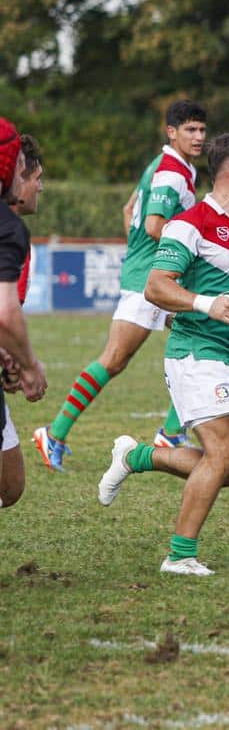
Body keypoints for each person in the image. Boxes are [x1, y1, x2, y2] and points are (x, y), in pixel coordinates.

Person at [97, 132, 229, 576]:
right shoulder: (190, 224)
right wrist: (204, 303)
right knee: (221, 452)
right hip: (195, 351)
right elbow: (156, 286)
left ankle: (136, 456)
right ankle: (180, 555)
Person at [34, 100, 207, 471]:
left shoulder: (167, 167)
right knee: (115, 359)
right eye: (190, 129)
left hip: (153, 272)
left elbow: (130, 210)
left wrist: (140, 250)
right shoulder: (172, 173)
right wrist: (190, 248)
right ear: (171, 132)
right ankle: (54, 433)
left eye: (202, 130)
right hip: (151, 278)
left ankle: (172, 432)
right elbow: (152, 224)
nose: (198, 136)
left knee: (198, 339)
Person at [0, 120, 50, 509]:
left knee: (10, 485)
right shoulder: (8, 229)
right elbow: (5, 313)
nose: (38, 187)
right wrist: (28, 364)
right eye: (35, 176)